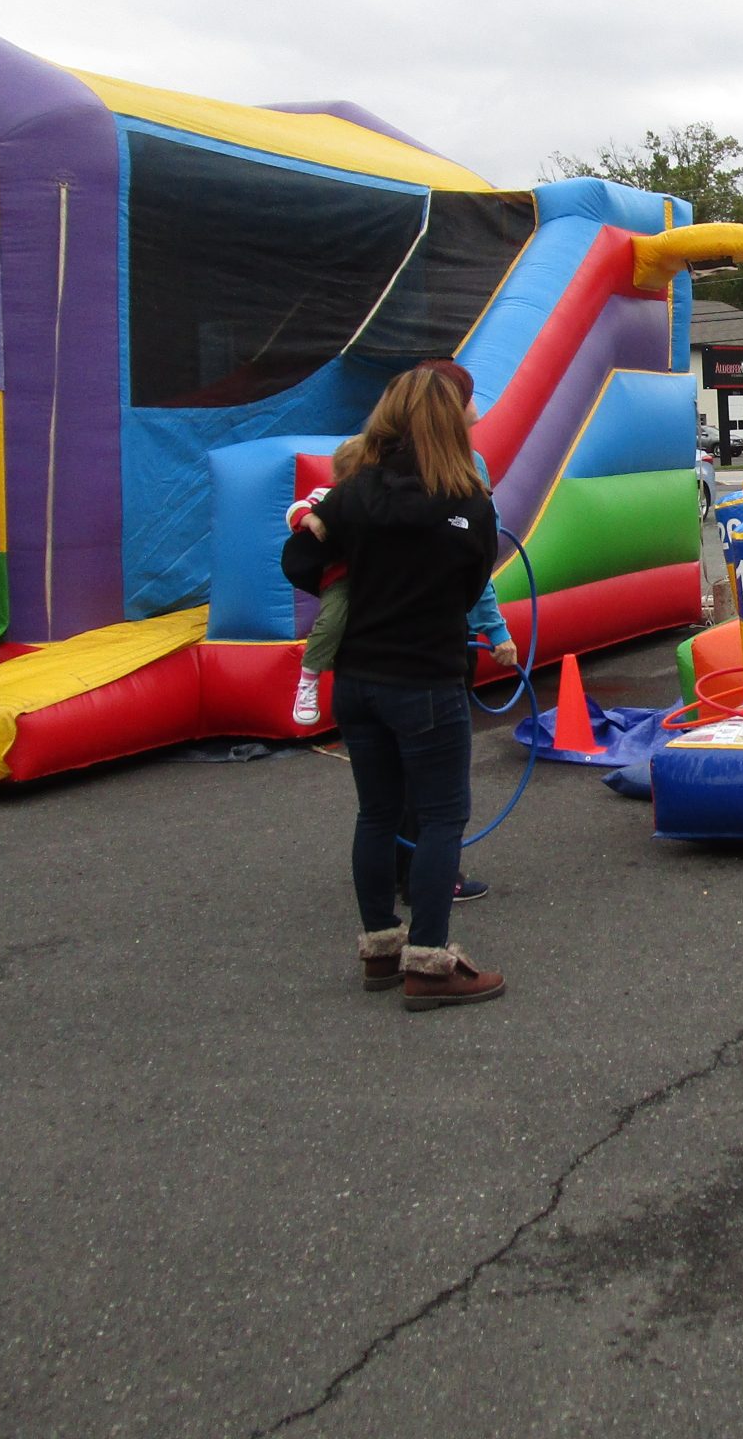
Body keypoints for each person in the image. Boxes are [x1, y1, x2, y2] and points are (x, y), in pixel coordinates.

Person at [284, 364, 505, 1008]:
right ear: (447, 424)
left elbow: (299, 561)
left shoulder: (353, 493)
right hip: (426, 679)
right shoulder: (468, 502)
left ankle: (380, 949)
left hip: (358, 680)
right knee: (440, 818)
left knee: (377, 814)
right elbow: (470, 589)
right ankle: (430, 963)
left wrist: (355, 579)